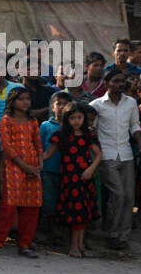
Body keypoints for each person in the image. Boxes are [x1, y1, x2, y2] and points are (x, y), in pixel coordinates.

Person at [39, 103, 101, 257]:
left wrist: (90, 169)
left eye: (79, 117)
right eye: (72, 118)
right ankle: (73, 246)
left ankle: (80, 245)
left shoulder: (88, 136)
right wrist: (35, 160)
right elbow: (48, 154)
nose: (76, 121)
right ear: (67, 119)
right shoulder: (60, 135)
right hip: (70, 180)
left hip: (85, 178)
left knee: (84, 213)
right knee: (75, 213)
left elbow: (99, 155)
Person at [90, 71, 141, 251]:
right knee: (118, 194)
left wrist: (140, 140)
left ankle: (123, 235)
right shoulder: (96, 105)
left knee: (129, 196)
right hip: (107, 156)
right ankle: (112, 234)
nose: (120, 84)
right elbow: (92, 129)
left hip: (127, 154)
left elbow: (135, 125)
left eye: (122, 81)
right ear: (106, 83)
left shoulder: (131, 103)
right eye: (116, 81)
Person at [0, 88, 42, 258]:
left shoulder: (32, 121)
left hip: (33, 167)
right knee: (9, 207)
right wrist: (24, 166)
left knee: (31, 207)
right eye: (21, 99)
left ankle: (24, 244)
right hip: (14, 168)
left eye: (27, 99)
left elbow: (38, 144)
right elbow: (7, 147)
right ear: (12, 101)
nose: (25, 102)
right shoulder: (6, 121)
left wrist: (39, 162)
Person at [38, 91, 73, 240]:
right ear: (52, 106)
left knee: (63, 201)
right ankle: (47, 231)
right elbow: (39, 146)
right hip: (48, 169)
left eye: (65, 104)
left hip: (67, 170)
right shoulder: (46, 125)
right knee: (48, 200)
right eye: (59, 103)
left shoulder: (72, 125)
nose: (61, 106)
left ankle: (60, 233)